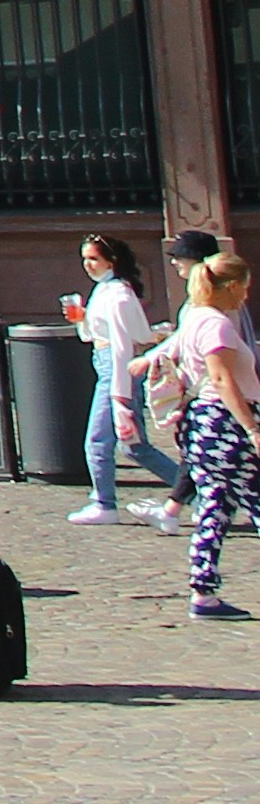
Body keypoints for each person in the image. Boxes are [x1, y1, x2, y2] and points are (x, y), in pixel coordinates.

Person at [69, 232, 182, 523]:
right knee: (133, 446)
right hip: (108, 364)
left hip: (115, 369)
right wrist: (81, 320)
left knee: (99, 440)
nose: (88, 265)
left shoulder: (117, 294)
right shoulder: (107, 290)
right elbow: (107, 336)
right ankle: (192, 490)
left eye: (93, 259)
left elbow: (122, 346)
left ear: (111, 261)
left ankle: (104, 503)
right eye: (85, 259)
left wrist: (119, 396)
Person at [178, 245, 259, 618]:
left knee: (215, 507)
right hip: (226, 423)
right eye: (245, 287)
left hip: (206, 424)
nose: (246, 295)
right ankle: (203, 592)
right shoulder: (216, 324)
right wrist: (252, 428)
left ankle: (203, 592)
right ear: (231, 285)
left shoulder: (195, 317)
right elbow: (223, 379)